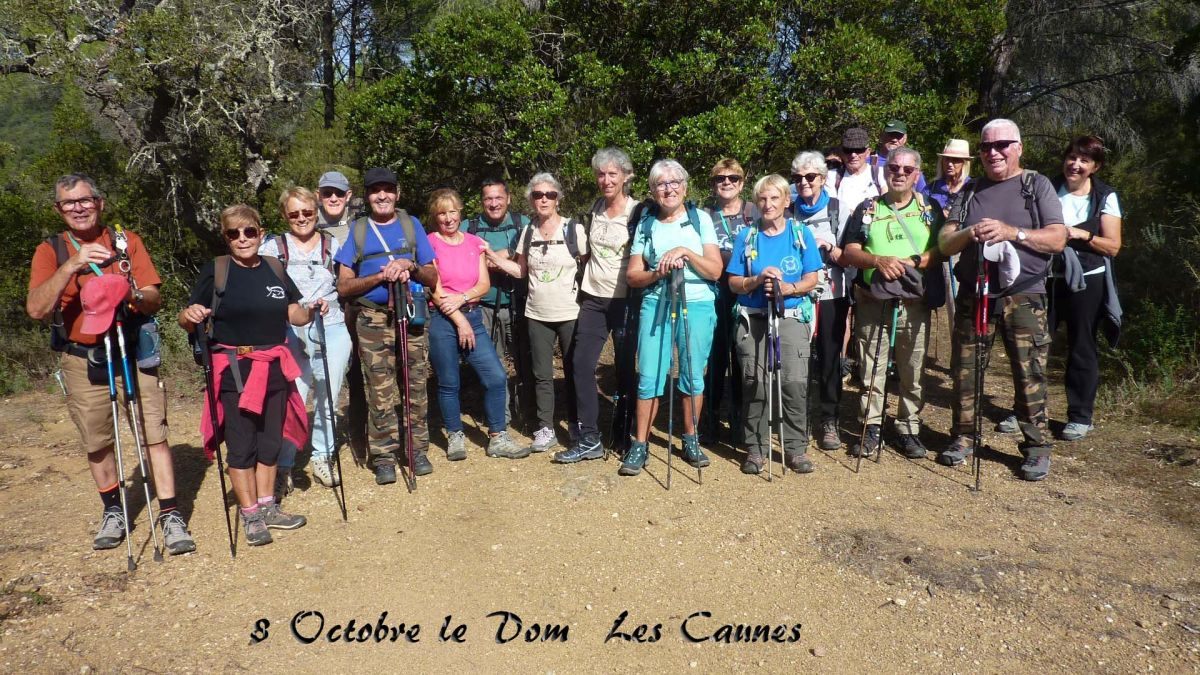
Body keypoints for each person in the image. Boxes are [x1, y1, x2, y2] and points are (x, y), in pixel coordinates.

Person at [27, 174, 196, 555]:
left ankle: (169, 513)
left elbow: (154, 298)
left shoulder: (125, 242)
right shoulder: (50, 251)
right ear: (59, 210)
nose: (79, 208)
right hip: (82, 355)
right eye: (69, 203)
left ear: (100, 203)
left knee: (153, 430)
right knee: (97, 438)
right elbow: (37, 308)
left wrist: (130, 292)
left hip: (132, 348)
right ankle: (114, 510)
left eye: (85, 200)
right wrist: (72, 266)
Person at [179, 204, 323, 546]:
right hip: (235, 368)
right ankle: (250, 515)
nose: (242, 239)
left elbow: (293, 313)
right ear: (226, 237)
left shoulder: (274, 267)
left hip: (274, 364)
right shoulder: (217, 270)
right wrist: (191, 313)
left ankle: (268, 506)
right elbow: (187, 319)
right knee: (242, 443)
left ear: (261, 233)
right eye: (234, 233)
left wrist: (312, 311)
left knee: (271, 441)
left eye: (249, 232)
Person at [937, 119, 1067, 481]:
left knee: (1029, 373)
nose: (993, 152)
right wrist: (969, 232)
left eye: (1002, 145)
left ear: (1019, 147)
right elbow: (945, 242)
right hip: (974, 294)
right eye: (986, 147)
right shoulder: (970, 190)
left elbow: (1057, 238)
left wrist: (1013, 232)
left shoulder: (1035, 185)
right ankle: (963, 437)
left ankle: (1036, 447)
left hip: (1024, 296)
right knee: (965, 370)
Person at [995, 135, 1123, 442]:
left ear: (1095, 167)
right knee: (1032, 345)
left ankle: (1080, 416)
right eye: (1071, 158)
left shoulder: (1105, 196)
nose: (1075, 165)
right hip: (1043, 277)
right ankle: (1025, 409)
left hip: (1086, 280)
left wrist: (1081, 235)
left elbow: (1113, 247)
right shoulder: (1045, 187)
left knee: (1081, 345)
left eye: (1084, 161)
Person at [334, 167, 439, 485]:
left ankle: (417, 450)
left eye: (388, 189)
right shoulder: (359, 230)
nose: (382, 196)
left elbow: (433, 277)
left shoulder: (412, 225)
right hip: (373, 320)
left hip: (412, 315)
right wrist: (380, 276)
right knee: (379, 391)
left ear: (397, 192)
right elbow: (343, 286)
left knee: (415, 386)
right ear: (367, 196)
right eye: (375, 190)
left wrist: (411, 266)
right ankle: (383, 456)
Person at [618, 159, 723, 476]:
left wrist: (686, 253)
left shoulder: (700, 219)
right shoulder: (647, 223)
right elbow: (633, 276)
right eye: (661, 183)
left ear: (686, 186)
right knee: (650, 375)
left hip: (698, 303)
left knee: (693, 374)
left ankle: (691, 439)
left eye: (675, 181)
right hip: (656, 302)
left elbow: (715, 270)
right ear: (652, 190)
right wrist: (656, 273)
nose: (669, 188)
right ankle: (640, 445)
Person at [840, 148, 943, 459]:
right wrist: (877, 260)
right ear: (885, 171)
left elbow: (945, 249)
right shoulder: (868, 208)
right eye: (894, 167)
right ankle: (870, 427)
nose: (899, 173)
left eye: (907, 169)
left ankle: (908, 426)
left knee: (912, 367)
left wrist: (918, 260)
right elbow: (849, 251)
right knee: (872, 365)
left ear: (917, 174)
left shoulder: (930, 208)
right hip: (873, 298)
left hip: (914, 301)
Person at [726, 174, 822, 474]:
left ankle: (795, 448)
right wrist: (756, 280)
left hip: (790, 316)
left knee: (793, 382)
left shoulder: (800, 234)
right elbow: (733, 283)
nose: (768, 204)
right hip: (753, 318)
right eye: (762, 199)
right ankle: (756, 448)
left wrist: (789, 288)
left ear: (786, 201)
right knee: (755, 382)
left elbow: (812, 278)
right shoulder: (746, 236)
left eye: (774, 198)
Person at [485, 173, 584, 454]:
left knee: (574, 372)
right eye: (538, 194)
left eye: (550, 195)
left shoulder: (573, 229)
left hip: (570, 312)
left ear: (558, 198)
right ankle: (545, 429)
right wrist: (492, 257)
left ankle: (576, 425)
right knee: (541, 375)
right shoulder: (528, 231)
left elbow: (587, 263)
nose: (544, 199)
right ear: (530, 198)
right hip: (537, 313)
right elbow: (520, 270)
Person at [259, 187, 351, 489]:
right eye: (294, 213)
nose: (301, 218)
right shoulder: (273, 247)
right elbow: (264, 289)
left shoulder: (332, 244)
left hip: (331, 324)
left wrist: (330, 302)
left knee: (329, 391)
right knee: (293, 397)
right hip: (289, 330)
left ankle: (321, 455)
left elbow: (345, 283)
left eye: (307, 212)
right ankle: (284, 464)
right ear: (285, 215)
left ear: (316, 211)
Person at [425, 188, 526, 460]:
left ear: (460, 212)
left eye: (453, 211)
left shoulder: (474, 242)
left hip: (472, 315)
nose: (448, 218)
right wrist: (459, 320)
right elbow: (433, 288)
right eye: (442, 213)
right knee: (448, 382)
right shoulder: (429, 243)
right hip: (444, 319)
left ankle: (498, 436)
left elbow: (483, 284)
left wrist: (462, 298)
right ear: (435, 216)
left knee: (495, 377)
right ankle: (455, 435)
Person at [555, 148, 637, 463]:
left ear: (626, 176)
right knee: (579, 364)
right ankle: (589, 437)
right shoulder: (593, 210)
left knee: (626, 370)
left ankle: (624, 432)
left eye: (612, 174)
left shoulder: (637, 212)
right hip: (593, 299)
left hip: (626, 300)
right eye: (601, 174)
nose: (605, 180)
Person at [789, 151, 851, 451]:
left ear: (823, 179)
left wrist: (830, 248)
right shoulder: (788, 211)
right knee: (797, 360)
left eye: (810, 177)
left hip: (831, 294)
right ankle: (796, 419)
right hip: (797, 296)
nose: (804, 182)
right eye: (798, 178)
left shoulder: (840, 209)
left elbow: (852, 256)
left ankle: (829, 419)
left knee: (829, 358)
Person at [699, 158, 760, 444]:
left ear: (742, 183)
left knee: (743, 357)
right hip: (714, 293)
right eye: (720, 178)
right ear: (713, 184)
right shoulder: (703, 215)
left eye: (733, 178)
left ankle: (739, 418)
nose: (726, 183)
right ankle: (708, 418)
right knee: (715, 357)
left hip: (748, 292)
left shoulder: (754, 212)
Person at [465, 178, 532, 429]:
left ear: (508, 199)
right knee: (493, 366)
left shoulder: (522, 224)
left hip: (520, 304)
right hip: (483, 305)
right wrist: (507, 255)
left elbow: (528, 257)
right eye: (488, 199)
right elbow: (459, 257)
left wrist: (490, 256)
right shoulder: (468, 227)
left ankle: (527, 415)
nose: (494, 204)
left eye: (498, 198)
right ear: (482, 201)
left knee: (525, 363)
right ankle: (499, 418)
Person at [316, 170, 369, 464]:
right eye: (327, 193)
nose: (333, 198)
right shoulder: (309, 227)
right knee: (326, 378)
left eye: (338, 193)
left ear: (348, 196)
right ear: (319, 196)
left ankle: (361, 435)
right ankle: (324, 442)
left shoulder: (360, 228)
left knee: (360, 376)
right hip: (324, 314)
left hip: (356, 309)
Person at [866, 119, 928, 194]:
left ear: (905, 139)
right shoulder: (868, 162)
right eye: (890, 135)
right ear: (882, 136)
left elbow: (923, 195)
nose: (894, 139)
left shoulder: (911, 165)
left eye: (898, 136)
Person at [928, 139, 973, 211]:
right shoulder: (932, 187)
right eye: (947, 159)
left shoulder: (972, 188)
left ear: (964, 163)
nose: (949, 164)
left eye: (955, 160)